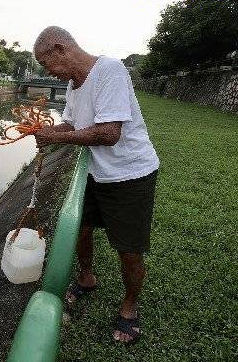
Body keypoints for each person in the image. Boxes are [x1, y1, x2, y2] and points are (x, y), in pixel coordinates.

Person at [32, 26, 159, 345]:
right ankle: (87, 278)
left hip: (130, 174)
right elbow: (73, 124)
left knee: (128, 249)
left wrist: (57, 138)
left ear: (60, 49)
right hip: (95, 172)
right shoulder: (74, 87)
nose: (49, 73)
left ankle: (130, 307)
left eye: (47, 65)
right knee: (82, 228)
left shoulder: (110, 71)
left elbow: (109, 133)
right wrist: (41, 132)